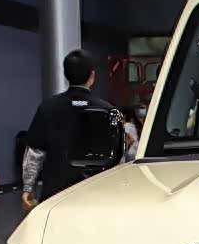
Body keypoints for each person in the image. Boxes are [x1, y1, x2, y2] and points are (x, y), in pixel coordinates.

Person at [21, 50, 123, 210]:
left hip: (55, 194)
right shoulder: (108, 110)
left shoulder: (47, 108)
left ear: (66, 75)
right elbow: (118, 157)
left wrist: (28, 187)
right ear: (92, 76)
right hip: (96, 195)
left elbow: (35, 153)